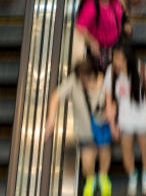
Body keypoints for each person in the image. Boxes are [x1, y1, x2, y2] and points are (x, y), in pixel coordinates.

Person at [45, 58, 112, 196]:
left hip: (102, 128)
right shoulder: (74, 81)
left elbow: (115, 101)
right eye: (82, 79)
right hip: (84, 131)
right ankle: (91, 180)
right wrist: (51, 119)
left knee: (104, 152)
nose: (85, 83)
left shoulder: (105, 81)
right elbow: (56, 96)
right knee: (87, 163)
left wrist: (111, 111)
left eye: (88, 79)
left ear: (94, 73)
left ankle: (103, 177)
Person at [104, 43, 146, 196]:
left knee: (145, 149)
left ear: (128, 59)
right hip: (124, 121)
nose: (116, 61)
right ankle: (133, 177)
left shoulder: (142, 69)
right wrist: (112, 124)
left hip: (142, 119)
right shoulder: (111, 72)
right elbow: (108, 101)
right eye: (114, 57)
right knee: (126, 152)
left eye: (119, 58)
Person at [76, 0, 128, 67]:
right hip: (101, 50)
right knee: (105, 75)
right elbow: (80, 27)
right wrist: (92, 42)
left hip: (117, 45)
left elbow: (120, 13)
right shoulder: (91, 6)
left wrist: (125, 21)